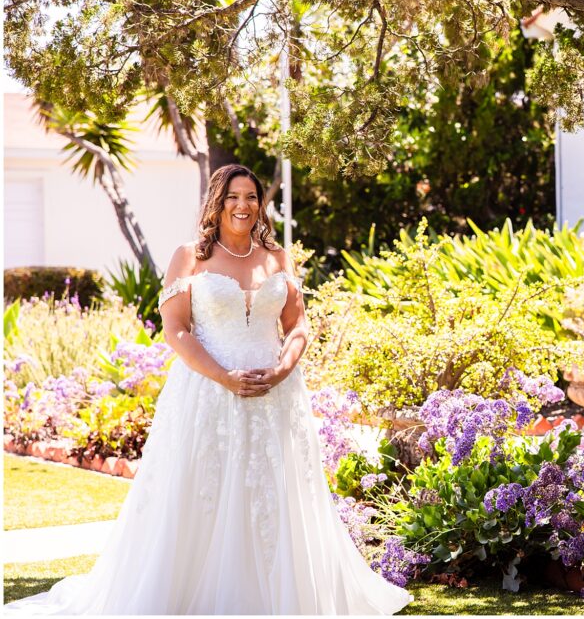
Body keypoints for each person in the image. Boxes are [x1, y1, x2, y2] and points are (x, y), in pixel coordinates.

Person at [5, 165, 413, 614]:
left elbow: (298, 326)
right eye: (233, 197)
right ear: (217, 203)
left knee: (273, 491)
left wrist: (279, 371)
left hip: (275, 397)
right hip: (206, 394)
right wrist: (223, 376)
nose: (243, 205)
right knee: (202, 492)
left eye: (252, 197)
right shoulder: (190, 256)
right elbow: (176, 331)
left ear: (261, 204)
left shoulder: (277, 257)